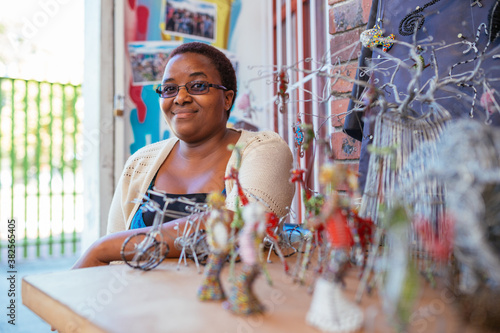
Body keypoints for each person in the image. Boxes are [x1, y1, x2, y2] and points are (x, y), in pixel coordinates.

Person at [73, 42, 295, 268]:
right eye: (169, 89)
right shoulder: (140, 162)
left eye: (198, 85)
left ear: (227, 99)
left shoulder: (264, 149)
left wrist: (100, 249)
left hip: (220, 300)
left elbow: (239, 226)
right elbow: (114, 262)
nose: (180, 98)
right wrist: (104, 252)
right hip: (136, 301)